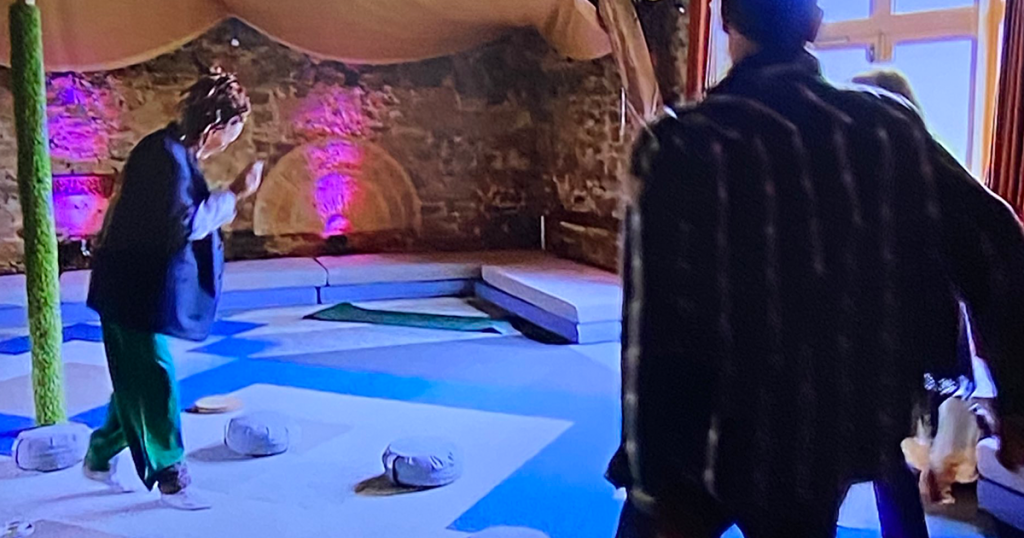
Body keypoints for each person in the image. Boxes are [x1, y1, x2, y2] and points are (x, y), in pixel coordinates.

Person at [607, 0, 1024, 536]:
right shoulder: (886, 128)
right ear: (814, 22)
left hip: (710, 443)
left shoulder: (683, 143)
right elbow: (997, 242)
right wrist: (1016, 400)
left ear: (726, 21)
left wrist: (653, 482)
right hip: (826, 442)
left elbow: (656, 329)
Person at [82, 69, 263, 510]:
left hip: (134, 287)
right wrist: (236, 193)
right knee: (155, 377)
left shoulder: (173, 153)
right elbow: (185, 224)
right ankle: (172, 480)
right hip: (130, 290)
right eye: (234, 130)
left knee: (138, 377)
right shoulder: (163, 157)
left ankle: (100, 457)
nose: (232, 140)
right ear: (217, 125)